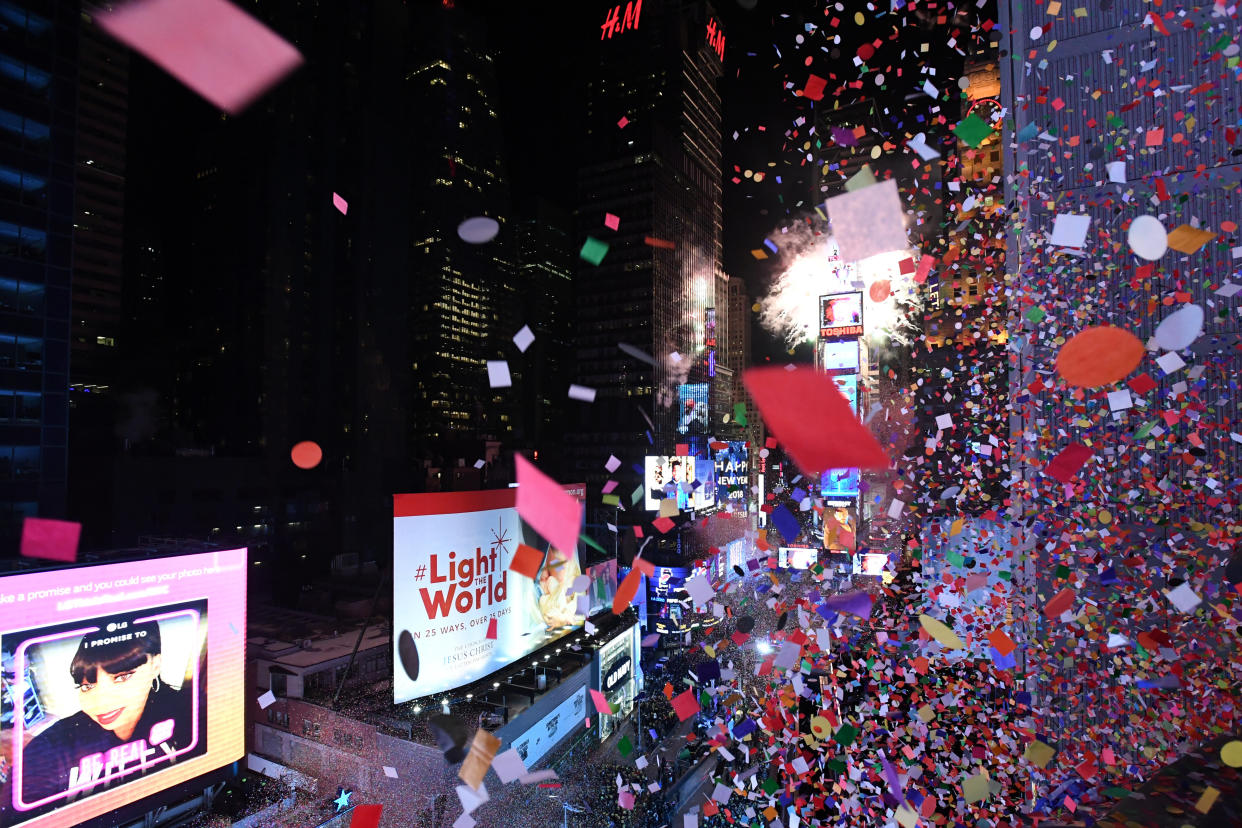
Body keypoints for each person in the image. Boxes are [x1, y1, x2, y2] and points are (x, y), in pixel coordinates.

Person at [14, 617, 200, 812]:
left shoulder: (193, 712)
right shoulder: (51, 747)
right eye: (86, 686)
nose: (101, 702)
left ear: (155, 665)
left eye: (122, 677)